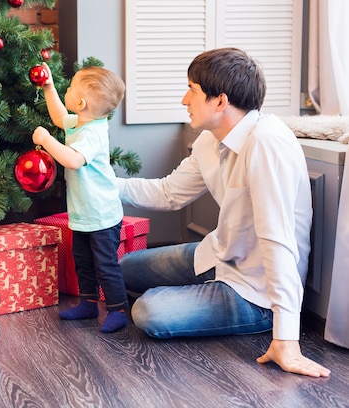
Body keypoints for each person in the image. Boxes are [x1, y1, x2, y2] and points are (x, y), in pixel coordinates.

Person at [117, 47, 331, 377]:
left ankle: (226, 312)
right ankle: (193, 297)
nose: (184, 100)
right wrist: (103, 183)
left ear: (220, 101)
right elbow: (169, 193)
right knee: (123, 270)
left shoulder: (266, 143)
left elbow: (278, 241)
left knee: (148, 311)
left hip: (255, 292)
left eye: (192, 90)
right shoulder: (209, 141)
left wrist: (286, 337)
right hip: (218, 256)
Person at [32, 63, 128, 333]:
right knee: (82, 261)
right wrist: (49, 88)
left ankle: (118, 308)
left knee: (105, 264)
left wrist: (47, 140)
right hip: (84, 213)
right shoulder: (81, 122)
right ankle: (88, 302)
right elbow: (59, 117)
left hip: (102, 213)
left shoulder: (92, 133)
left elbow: (73, 160)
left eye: (71, 87)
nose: (68, 89)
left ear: (82, 102)